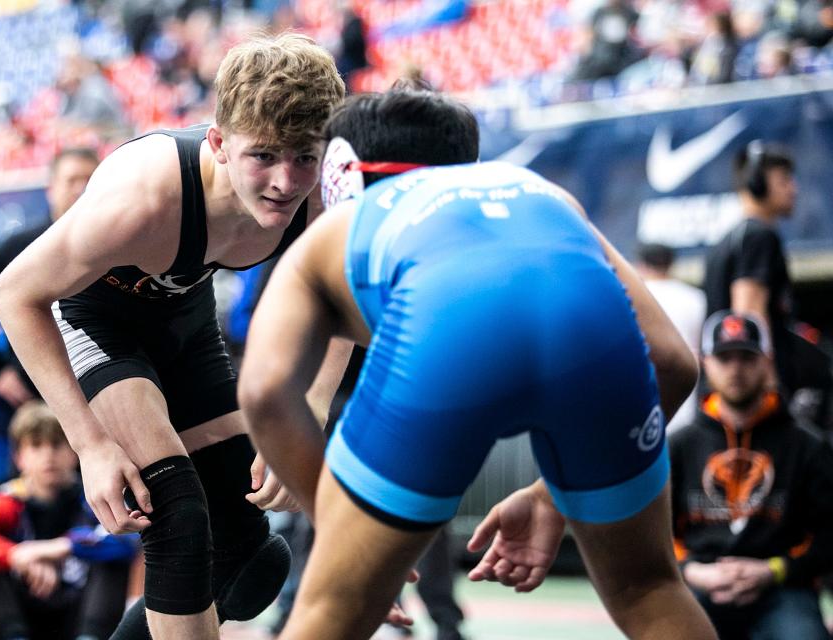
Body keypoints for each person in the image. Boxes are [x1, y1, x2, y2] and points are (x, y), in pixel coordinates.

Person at [237, 88, 717, 640]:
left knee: (333, 606)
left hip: (444, 337)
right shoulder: (545, 197)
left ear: (341, 174)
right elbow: (675, 363)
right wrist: (553, 493)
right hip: (591, 339)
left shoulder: (345, 222)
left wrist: (337, 522)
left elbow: (264, 390)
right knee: (649, 590)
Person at [0, 33, 348, 640]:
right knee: (175, 515)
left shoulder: (321, 193)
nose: (286, 182)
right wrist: (91, 445)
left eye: (305, 157)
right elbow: (14, 295)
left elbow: (341, 299)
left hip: (186, 316)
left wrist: (308, 412)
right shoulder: (144, 198)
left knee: (250, 550)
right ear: (218, 144)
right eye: (263, 156)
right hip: (98, 321)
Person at [670, 310, 833, 640]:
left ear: (766, 361)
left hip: (783, 587)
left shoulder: (808, 446)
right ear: (705, 362)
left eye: (746, 357)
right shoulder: (680, 445)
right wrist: (694, 572)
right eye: (724, 358)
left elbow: (829, 536)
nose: (736, 369)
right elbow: (655, 536)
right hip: (700, 584)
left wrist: (773, 570)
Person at [0, 401, 137, 640]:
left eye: (56, 444)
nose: (47, 456)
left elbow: (130, 536)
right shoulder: (8, 500)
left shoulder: (90, 497)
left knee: (113, 559)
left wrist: (57, 548)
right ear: (19, 457)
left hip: (79, 612)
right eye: (36, 446)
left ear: (74, 452)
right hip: (20, 612)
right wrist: (15, 555)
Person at [0, 147, 100, 409]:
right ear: (51, 188)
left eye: (89, 180)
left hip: (106, 388)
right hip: (39, 399)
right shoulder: (19, 247)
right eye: (72, 180)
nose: (80, 189)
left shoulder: (119, 244)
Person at [703, 141, 832, 422]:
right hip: (757, 399)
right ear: (757, 183)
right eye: (784, 180)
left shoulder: (732, 238)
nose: (793, 188)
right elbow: (747, 315)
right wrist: (770, 389)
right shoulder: (759, 236)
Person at [636, 242, 706, 432]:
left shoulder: (633, 297)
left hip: (646, 398)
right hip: (688, 393)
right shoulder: (696, 297)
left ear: (640, 265)